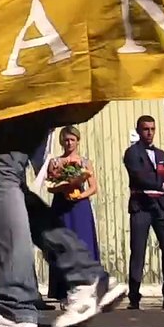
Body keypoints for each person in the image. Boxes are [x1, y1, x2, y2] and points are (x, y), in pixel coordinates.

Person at [0, 108, 126, 327]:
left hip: (17, 92)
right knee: (6, 179)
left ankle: (13, 309)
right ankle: (86, 277)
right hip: (28, 94)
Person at [123, 115, 164, 309]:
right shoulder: (132, 153)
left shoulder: (161, 153)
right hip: (141, 206)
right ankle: (134, 296)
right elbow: (139, 178)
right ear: (139, 131)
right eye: (146, 129)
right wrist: (163, 184)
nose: (149, 133)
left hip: (161, 207)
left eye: (152, 129)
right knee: (138, 251)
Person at [46, 126, 102, 302]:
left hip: (80, 208)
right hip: (61, 207)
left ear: (78, 141)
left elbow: (93, 187)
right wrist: (62, 188)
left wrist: (80, 195)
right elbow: (50, 186)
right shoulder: (55, 162)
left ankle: (87, 288)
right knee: (62, 247)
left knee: (83, 244)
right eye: (66, 140)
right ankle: (63, 293)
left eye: (72, 139)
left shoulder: (85, 162)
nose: (69, 143)